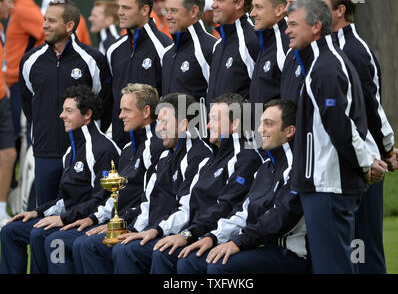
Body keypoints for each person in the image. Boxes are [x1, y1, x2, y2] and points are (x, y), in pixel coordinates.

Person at [317, 0, 398, 274]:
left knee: (365, 248)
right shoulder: (331, 47)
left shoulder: (354, 50)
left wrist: (384, 151)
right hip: (347, 161)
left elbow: (372, 108)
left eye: (323, 7)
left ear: (340, 11)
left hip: (367, 161)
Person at [113, 93, 263, 274]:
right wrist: (152, 230)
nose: (208, 126)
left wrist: (187, 234)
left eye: (214, 120)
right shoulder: (209, 161)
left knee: (163, 255)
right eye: (208, 120)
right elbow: (185, 205)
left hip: (214, 237)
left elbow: (227, 207)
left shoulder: (246, 159)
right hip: (193, 233)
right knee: (124, 247)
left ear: (236, 124)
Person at [286, 0, 374, 274]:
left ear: (315, 27)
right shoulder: (323, 61)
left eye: (293, 25)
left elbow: (341, 126)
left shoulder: (326, 66)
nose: (287, 30)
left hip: (329, 186)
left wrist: (366, 164)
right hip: (325, 184)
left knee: (333, 268)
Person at [78, 93, 213, 273]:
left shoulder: (200, 156)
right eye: (159, 122)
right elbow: (147, 203)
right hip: (153, 230)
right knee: (87, 243)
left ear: (183, 124)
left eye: (166, 122)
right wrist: (132, 229)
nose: (160, 128)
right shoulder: (164, 156)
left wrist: (155, 230)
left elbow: (187, 209)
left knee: (125, 249)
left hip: (176, 235)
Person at [42, 83, 165, 274]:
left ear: (147, 111)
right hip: (111, 220)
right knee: (48, 237)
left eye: (126, 110)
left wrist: (122, 226)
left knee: (75, 243)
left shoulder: (157, 147)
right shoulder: (127, 150)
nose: (120, 116)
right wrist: (93, 218)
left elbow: (150, 200)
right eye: (120, 110)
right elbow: (112, 198)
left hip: (139, 226)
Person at [178, 99, 309, 274]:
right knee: (191, 260)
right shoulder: (265, 167)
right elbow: (244, 212)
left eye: (268, 124)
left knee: (220, 267)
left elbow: (280, 217)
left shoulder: (299, 166)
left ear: (290, 131)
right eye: (261, 123)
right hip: (256, 245)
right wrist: (214, 237)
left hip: (287, 253)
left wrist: (239, 242)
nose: (261, 129)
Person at [0, 85, 120, 274]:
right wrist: (37, 212)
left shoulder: (103, 148)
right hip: (68, 217)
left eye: (69, 111)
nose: (62, 115)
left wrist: (64, 219)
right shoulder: (71, 151)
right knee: (11, 230)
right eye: (63, 110)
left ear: (87, 114)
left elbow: (102, 201)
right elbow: (63, 199)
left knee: (49, 238)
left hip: (88, 221)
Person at [20, 0, 112, 207]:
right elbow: (29, 103)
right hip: (46, 152)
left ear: (69, 26)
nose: (44, 25)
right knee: (44, 215)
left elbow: (102, 103)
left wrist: (88, 139)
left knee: (80, 214)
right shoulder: (30, 60)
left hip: (82, 152)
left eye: (51, 21)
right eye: (45, 20)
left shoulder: (92, 59)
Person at [106, 0, 172, 149]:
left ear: (144, 10)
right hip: (120, 143)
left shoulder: (164, 47)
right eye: (119, 7)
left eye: (127, 8)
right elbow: (109, 98)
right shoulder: (114, 50)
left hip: (154, 144)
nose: (120, 12)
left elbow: (170, 97)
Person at [0, 0, 44, 192]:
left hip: (17, 84)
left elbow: (49, 32)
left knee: (12, 141)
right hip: (9, 84)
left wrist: (33, 63)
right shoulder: (17, 10)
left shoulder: (23, 9)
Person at [205, 0, 260, 109]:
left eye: (220, 0)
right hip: (214, 128)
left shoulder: (252, 40)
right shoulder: (218, 45)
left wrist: (245, 128)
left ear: (239, 4)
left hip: (244, 128)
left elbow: (260, 96)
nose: (213, 5)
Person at [161, 0, 217, 102]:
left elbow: (218, 100)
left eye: (174, 11)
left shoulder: (211, 48)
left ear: (193, 11)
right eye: (167, 11)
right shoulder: (167, 53)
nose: (168, 17)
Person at [280, 0, 324, 104]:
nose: (285, 9)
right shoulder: (291, 53)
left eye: (292, 4)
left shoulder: (329, 58)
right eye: (286, 3)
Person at [249, 0, 289, 106]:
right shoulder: (265, 40)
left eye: (258, 7)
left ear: (279, 10)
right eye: (253, 7)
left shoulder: (288, 43)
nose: (252, 14)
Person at [0, 0, 15, 229]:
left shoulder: (1, 27)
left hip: (2, 98)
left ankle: (1, 210)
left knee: (9, 154)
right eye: (8, 2)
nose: (12, 7)